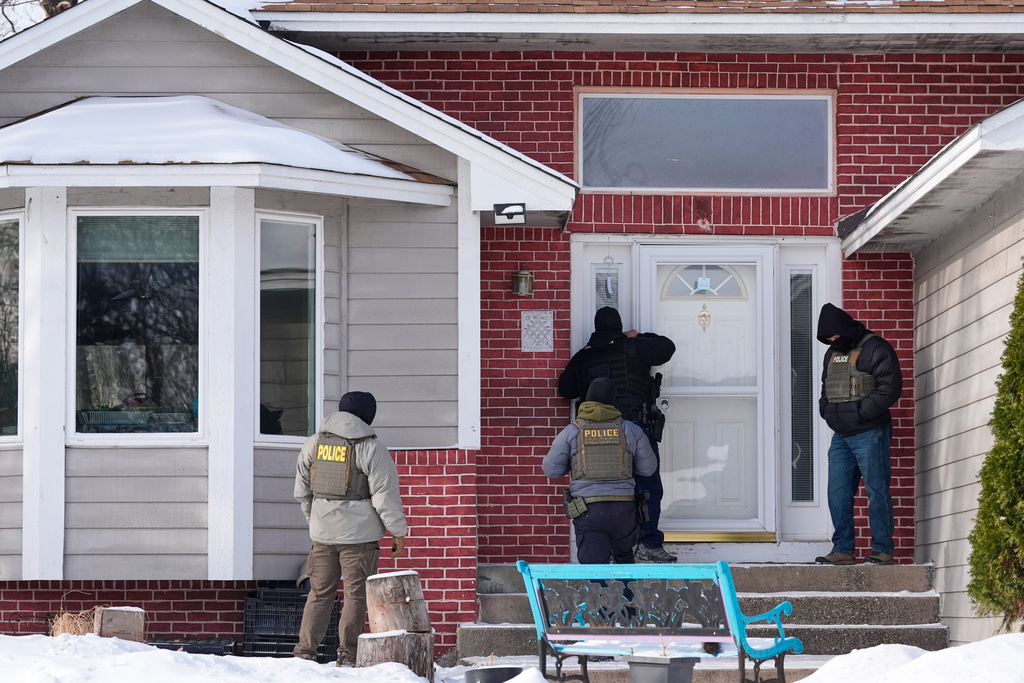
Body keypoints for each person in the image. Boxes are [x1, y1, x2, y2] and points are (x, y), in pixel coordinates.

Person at [293, 391, 408, 666]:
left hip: (322, 536)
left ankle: (304, 655)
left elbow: (302, 491)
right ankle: (347, 656)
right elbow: (383, 496)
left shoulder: (314, 443)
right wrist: (398, 531)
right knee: (355, 596)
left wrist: (316, 522)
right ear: (369, 415)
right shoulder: (372, 449)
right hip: (360, 538)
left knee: (319, 594)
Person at [558, 307, 676, 563]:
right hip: (634, 428)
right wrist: (637, 337)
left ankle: (611, 548)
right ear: (619, 326)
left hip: (593, 437)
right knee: (647, 486)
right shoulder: (633, 347)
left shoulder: (583, 357)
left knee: (604, 491)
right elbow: (667, 347)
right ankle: (648, 544)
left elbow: (565, 389)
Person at [814, 303, 903, 566]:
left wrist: (861, 414)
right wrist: (828, 412)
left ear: (843, 330)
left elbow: (890, 388)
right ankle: (842, 549)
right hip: (840, 436)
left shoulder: (877, 348)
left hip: (870, 433)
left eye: (833, 336)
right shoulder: (831, 354)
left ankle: (883, 550)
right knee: (837, 493)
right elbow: (825, 389)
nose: (831, 341)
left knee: (877, 491)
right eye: (827, 339)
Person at [543, 378, 658, 564]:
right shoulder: (631, 430)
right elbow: (648, 469)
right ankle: (626, 592)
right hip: (624, 511)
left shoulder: (572, 432)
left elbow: (551, 471)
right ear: (613, 402)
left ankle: (600, 592)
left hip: (588, 510)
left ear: (587, 401)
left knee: (594, 569)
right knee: (624, 562)